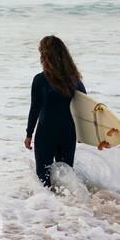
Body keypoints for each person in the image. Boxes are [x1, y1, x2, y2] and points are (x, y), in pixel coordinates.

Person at [24, 35, 86, 191]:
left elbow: (35, 108)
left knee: (43, 179)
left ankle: (50, 211)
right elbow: (84, 107)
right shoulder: (75, 81)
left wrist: (29, 134)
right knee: (66, 178)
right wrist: (83, 133)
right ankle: (70, 209)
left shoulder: (40, 80)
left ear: (45, 57)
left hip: (46, 133)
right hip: (68, 134)